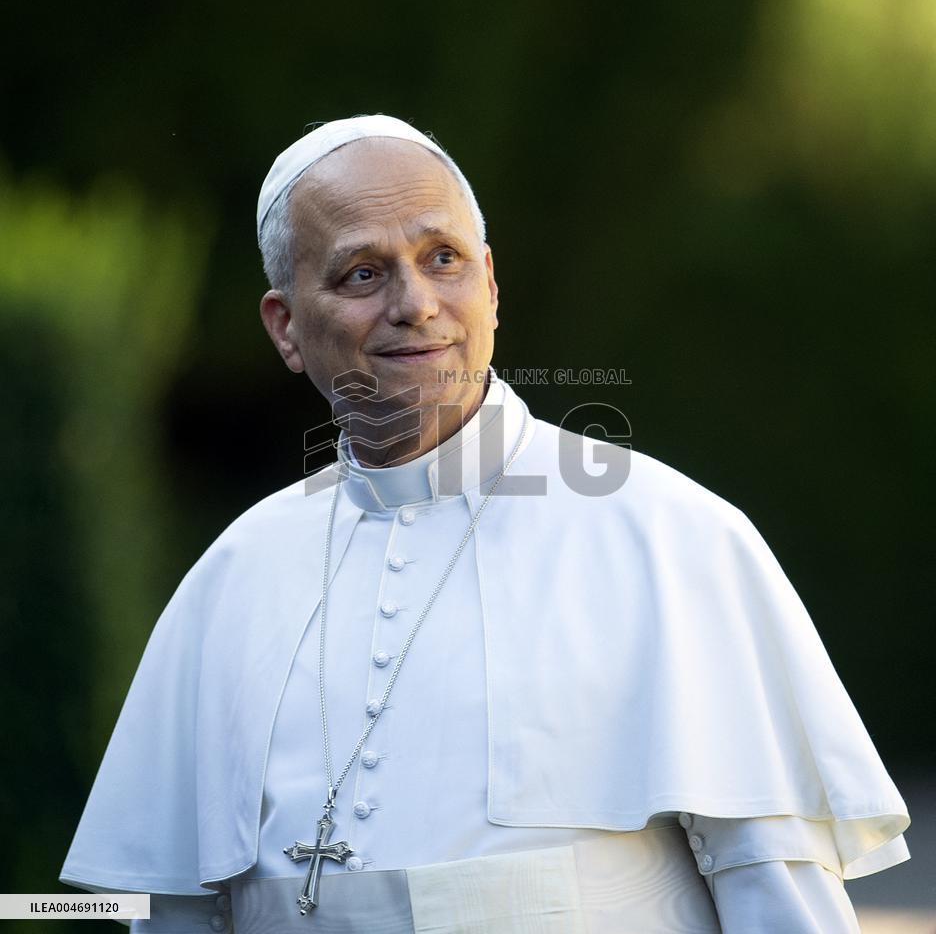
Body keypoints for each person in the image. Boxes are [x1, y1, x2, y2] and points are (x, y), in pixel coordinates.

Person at [60, 115, 910, 932]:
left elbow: (780, 906)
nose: (415, 303)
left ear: (492, 287)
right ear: (286, 327)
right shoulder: (230, 581)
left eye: (444, 259)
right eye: (362, 274)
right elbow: (175, 917)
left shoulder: (673, 539)